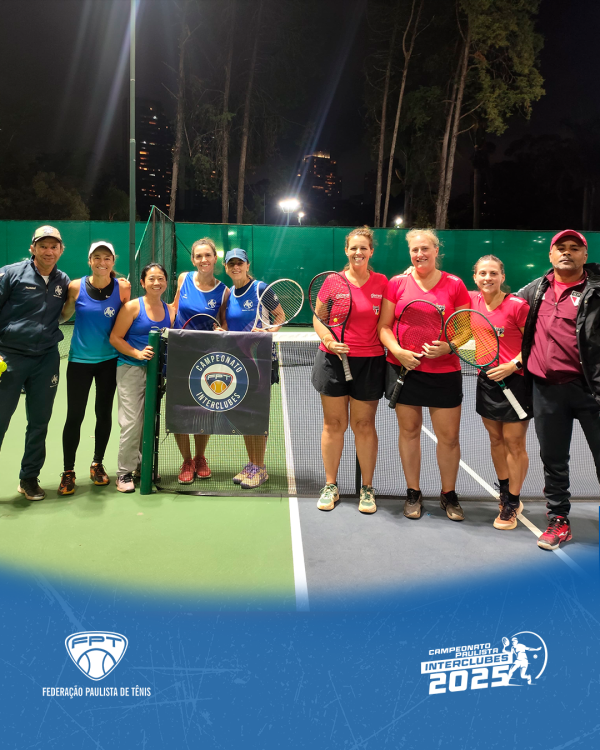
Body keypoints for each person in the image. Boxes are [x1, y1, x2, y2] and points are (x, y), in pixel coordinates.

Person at [378, 228, 470, 521]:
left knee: (449, 438)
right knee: (409, 432)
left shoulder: (455, 284)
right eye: (414, 250)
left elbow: (466, 329)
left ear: (436, 251)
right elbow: (384, 327)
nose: (420, 254)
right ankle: (413, 493)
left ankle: (448, 494)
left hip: (444, 371)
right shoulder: (397, 283)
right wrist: (398, 352)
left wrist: (449, 346)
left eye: (425, 248)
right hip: (405, 369)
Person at [517, 229, 600, 550]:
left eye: (574, 248)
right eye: (560, 248)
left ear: (585, 255)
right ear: (550, 255)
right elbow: (497, 303)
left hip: (591, 391)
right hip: (547, 391)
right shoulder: (535, 290)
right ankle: (559, 520)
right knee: (553, 460)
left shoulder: (596, 290)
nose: (567, 252)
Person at [311, 227, 388, 514]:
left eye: (363, 248)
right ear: (346, 250)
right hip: (332, 360)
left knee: (364, 425)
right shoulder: (333, 281)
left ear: (371, 251)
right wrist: (329, 340)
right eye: (353, 248)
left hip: (369, 361)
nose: (358, 252)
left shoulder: (382, 282)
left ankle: (367, 488)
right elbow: (318, 318)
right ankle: (330, 485)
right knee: (333, 424)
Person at [0, 226, 70, 501]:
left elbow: (62, 313)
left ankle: (28, 478)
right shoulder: (11, 273)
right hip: (9, 357)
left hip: (46, 359)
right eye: (43, 246)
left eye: (54, 246)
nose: (48, 251)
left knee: (39, 422)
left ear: (61, 250)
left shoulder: (62, 280)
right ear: (33, 248)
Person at [58, 242, 131, 495]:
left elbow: (127, 320)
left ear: (113, 261)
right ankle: (68, 471)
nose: (102, 262)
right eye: (97, 257)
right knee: (74, 416)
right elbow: (63, 316)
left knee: (103, 413)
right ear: (90, 261)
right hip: (79, 362)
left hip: (109, 361)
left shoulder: (123, 288)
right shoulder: (75, 287)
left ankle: (97, 464)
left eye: (107, 258)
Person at [470, 255, 531, 530]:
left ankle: (513, 502)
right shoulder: (471, 301)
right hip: (487, 381)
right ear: (475, 277)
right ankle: (505, 492)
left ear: (502, 277)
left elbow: (534, 343)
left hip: (516, 381)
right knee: (496, 440)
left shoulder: (517, 306)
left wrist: (513, 365)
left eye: (493, 273)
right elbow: (443, 286)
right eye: (482, 273)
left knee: (514, 443)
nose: (488, 278)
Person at [109, 263, 174, 493]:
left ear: (166, 282)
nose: (157, 283)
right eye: (151, 278)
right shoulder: (132, 307)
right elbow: (115, 338)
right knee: (132, 422)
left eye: (161, 278)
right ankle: (124, 472)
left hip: (156, 373)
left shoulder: (170, 311)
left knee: (148, 421)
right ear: (143, 282)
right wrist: (137, 353)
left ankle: (142, 466)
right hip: (130, 368)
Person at [172, 238, 229, 484]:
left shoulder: (223, 291)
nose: (203, 260)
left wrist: (223, 330)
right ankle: (186, 460)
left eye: (208, 255)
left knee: (205, 409)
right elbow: (174, 308)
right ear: (193, 259)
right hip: (179, 353)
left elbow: (224, 321)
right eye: (199, 256)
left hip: (207, 359)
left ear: (215, 258)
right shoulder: (183, 279)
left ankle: (200, 457)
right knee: (180, 409)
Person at [223, 248, 277, 489]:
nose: (236, 267)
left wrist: (266, 331)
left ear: (247, 265)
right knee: (244, 414)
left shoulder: (260, 288)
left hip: (260, 360)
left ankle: (261, 467)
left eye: (240, 263)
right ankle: (252, 463)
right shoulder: (230, 293)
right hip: (238, 362)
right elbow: (231, 325)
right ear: (226, 267)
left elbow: (279, 316)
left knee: (257, 413)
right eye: (231, 263)